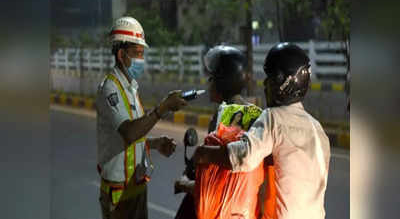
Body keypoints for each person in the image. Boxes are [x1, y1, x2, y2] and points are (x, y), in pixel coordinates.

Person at [193, 43, 331, 219]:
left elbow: (243, 157)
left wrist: (204, 153)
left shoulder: (273, 118)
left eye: (270, 78)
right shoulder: (318, 129)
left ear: (282, 83)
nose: (265, 84)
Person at [96, 16, 187, 219]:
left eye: (142, 54)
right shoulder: (110, 88)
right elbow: (128, 132)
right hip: (119, 195)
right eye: (137, 54)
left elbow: (131, 135)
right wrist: (162, 108)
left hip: (136, 189)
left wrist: (154, 144)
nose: (141, 60)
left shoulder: (131, 88)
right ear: (121, 54)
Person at [174, 45, 275, 219]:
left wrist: (183, 184)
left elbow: (210, 179)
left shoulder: (222, 115)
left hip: (223, 208)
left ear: (222, 82)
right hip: (250, 208)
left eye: (212, 78)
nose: (209, 83)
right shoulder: (257, 113)